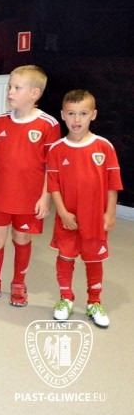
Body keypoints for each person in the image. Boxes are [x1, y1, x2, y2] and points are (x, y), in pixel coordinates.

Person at [0, 65, 60, 306]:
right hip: (0, 195)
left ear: (34, 93)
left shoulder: (48, 124)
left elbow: (52, 166)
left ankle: (18, 283)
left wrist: (45, 197)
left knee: (21, 239)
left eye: (17, 88)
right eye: (10, 86)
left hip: (29, 199)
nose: (10, 91)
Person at [47, 90, 122, 327]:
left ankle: (94, 302)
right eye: (71, 113)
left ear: (94, 115)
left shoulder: (104, 147)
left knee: (93, 259)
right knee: (65, 256)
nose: (77, 119)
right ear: (62, 115)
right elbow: (53, 185)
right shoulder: (56, 149)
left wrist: (110, 213)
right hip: (67, 218)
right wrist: (62, 213)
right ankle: (65, 299)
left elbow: (113, 184)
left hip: (95, 218)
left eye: (83, 113)